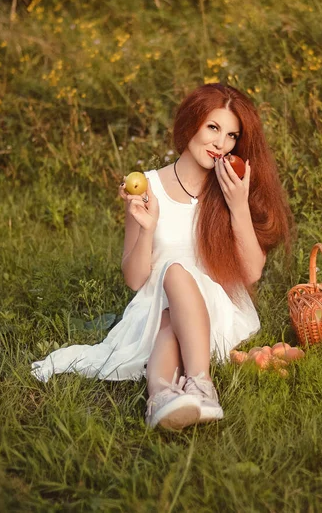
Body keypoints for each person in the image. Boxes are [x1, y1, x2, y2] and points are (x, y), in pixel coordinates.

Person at [31, 83, 292, 430]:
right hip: (155, 310)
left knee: (175, 271)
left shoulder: (230, 187)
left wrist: (238, 204)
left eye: (231, 135)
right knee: (170, 301)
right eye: (213, 128)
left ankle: (200, 382)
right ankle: (163, 398)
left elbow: (252, 273)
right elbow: (136, 279)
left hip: (214, 311)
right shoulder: (147, 187)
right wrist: (148, 228)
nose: (220, 143)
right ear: (191, 124)